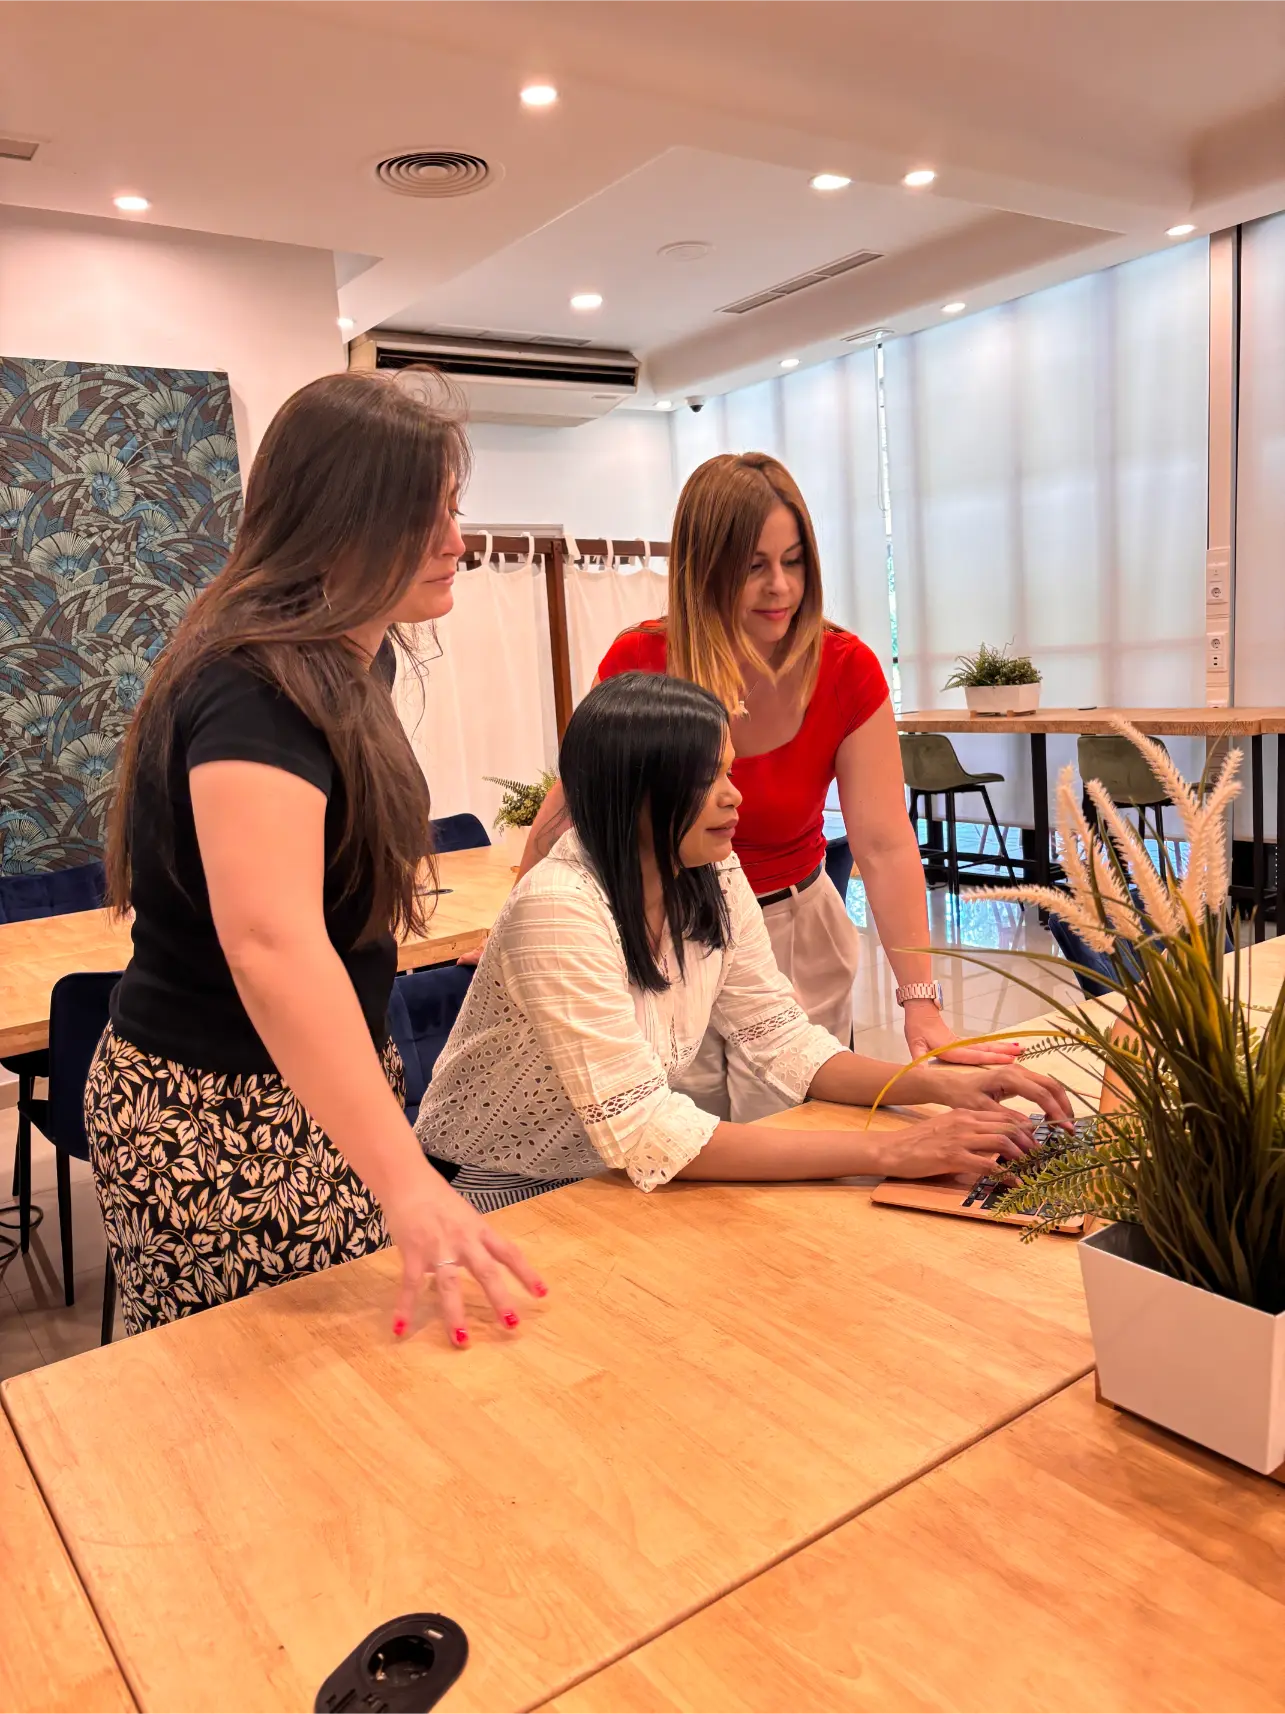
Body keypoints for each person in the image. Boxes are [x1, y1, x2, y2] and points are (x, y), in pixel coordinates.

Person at [90, 372, 544, 1345]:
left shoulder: (348, 659)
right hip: (215, 1117)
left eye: (452, 512)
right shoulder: (256, 685)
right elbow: (268, 940)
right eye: (419, 519)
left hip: (313, 1088)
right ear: (336, 522)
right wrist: (405, 1177)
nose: (454, 543)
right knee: (265, 1401)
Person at [416, 673, 1070, 1209]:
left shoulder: (708, 870)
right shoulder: (559, 908)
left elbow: (780, 1035)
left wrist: (935, 1087)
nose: (735, 798)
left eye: (731, 773)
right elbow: (647, 1130)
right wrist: (888, 1151)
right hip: (501, 1190)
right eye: (709, 779)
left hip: (609, 1181)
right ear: (633, 792)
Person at [520, 452, 1020, 1124]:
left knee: (800, 1134)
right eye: (753, 566)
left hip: (793, 927)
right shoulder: (642, 659)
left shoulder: (845, 668)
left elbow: (881, 841)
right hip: (667, 928)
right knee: (682, 1138)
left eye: (793, 561)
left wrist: (919, 1000)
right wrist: (517, 914)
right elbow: (578, 800)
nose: (778, 587)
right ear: (703, 569)